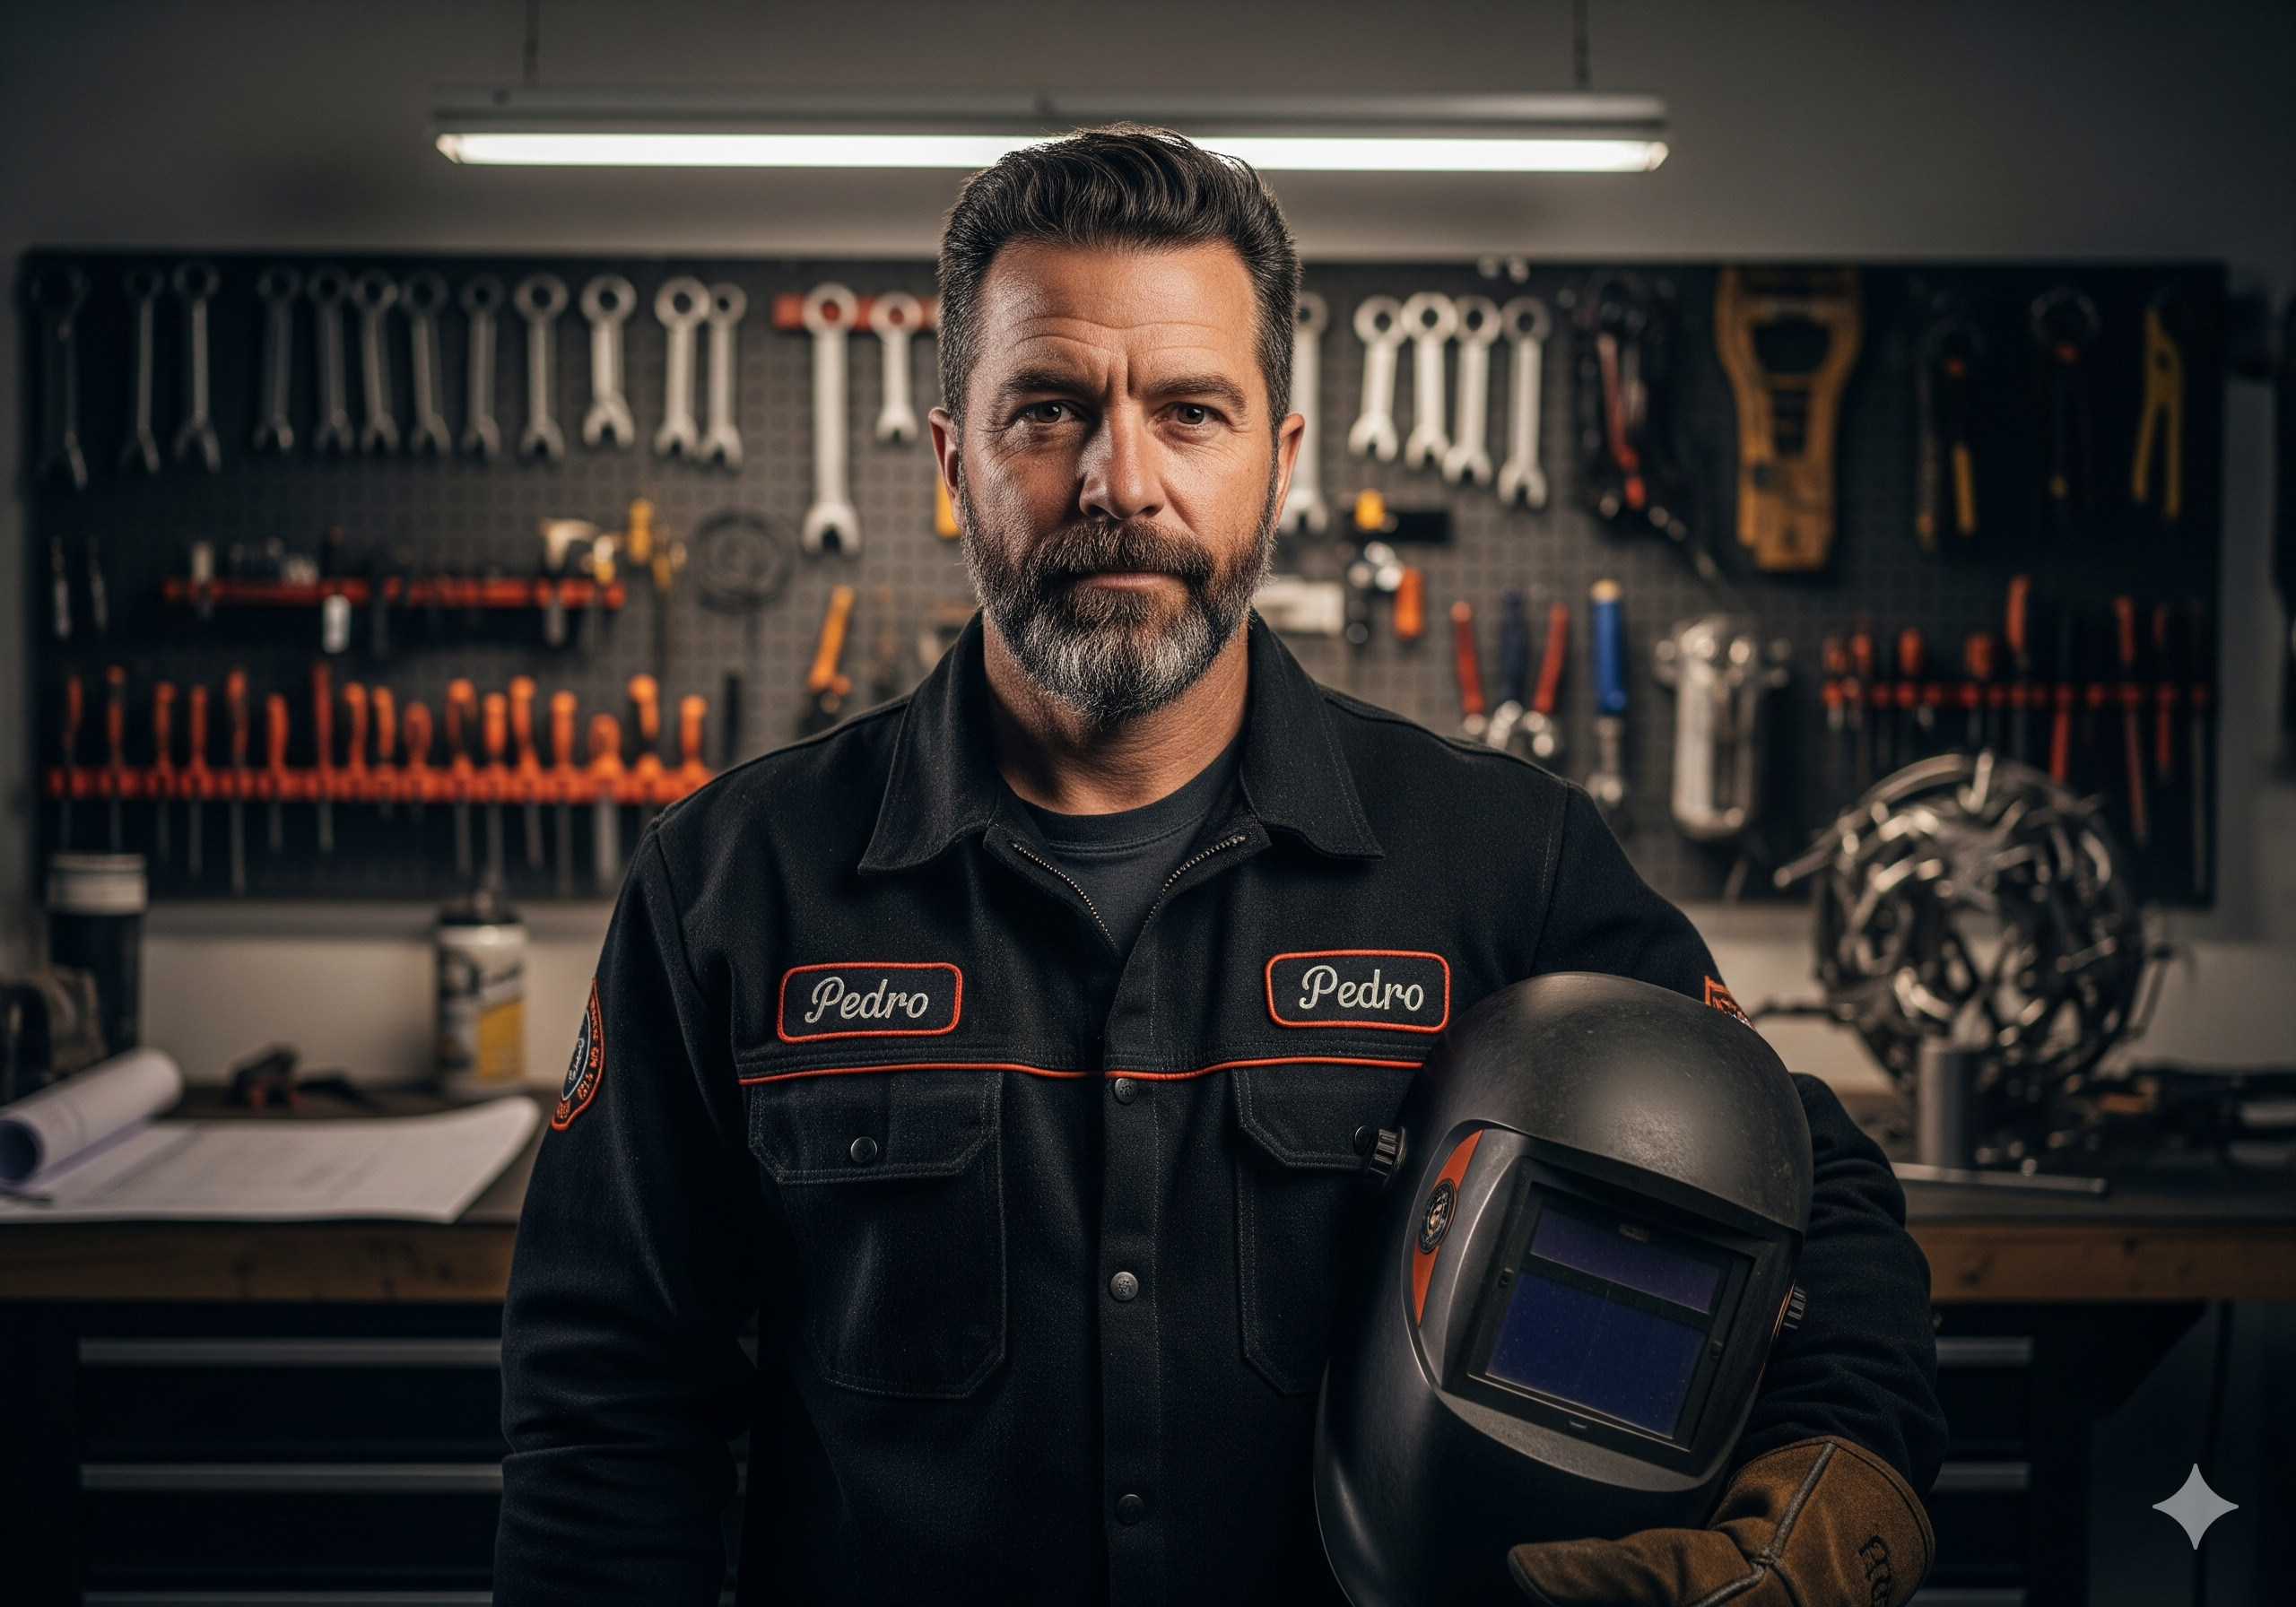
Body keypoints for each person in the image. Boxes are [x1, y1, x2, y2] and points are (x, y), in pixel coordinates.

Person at [495, 126, 1945, 1607]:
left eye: (1191, 412)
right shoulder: (731, 884)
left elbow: (1806, 1180)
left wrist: (1839, 1475)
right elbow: (609, 1411)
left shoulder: (1503, 861)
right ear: (952, 461)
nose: (1122, 481)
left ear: (1283, 461)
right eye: (1049, 410)